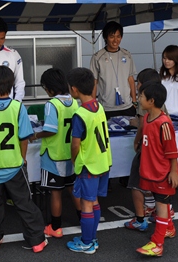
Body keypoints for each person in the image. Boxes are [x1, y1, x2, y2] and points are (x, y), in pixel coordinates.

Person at [0, 66, 48, 253]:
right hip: (13, 166)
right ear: (12, 85)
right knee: (24, 203)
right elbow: (24, 138)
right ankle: (36, 240)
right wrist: (23, 158)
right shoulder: (18, 108)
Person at [65, 68, 112, 255]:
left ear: (74, 89)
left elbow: (75, 144)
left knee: (86, 204)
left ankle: (86, 242)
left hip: (88, 165)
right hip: (103, 162)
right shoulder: (99, 107)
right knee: (94, 202)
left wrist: (73, 159)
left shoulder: (80, 114)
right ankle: (92, 238)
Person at [34, 67, 81, 238]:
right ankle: (84, 221)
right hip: (71, 154)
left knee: (55, 193)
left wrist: (36, 135)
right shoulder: (74, 102)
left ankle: (55, 227)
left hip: (53, 156)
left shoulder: (52, 104)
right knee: (73, 189)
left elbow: (50, 130)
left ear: (50, 88)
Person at [135, 82, 178, 257]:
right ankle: (169, 228)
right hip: (151, 171)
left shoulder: (164, 123)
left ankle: (157, 243)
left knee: (161, 205)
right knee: (160, 202)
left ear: (151, 101)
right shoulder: (147, 118)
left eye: (141, 96)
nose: (138, 99)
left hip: (163, 173)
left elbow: (172, 150)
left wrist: (173, 171)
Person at [124, 68, 165, 233]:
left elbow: (142, 125)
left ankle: (140, 219)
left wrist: (136, 141)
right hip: (157, 154)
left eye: (139, 83)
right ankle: (162, 215)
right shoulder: (160, 105)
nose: (137, 88)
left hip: (146, 151)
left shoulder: (146, 103)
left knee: (136, 183)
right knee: (157, 184)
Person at [90, 21, 137, 118]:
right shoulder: (97, 57)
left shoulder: (127, 55)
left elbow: (131, 79)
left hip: (127, 106)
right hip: (106, 107)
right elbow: (94, 82)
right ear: (105, 37)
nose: (115, 40)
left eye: (118, 36)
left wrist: (134, 101)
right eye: (112, 36)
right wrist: (93, 104)